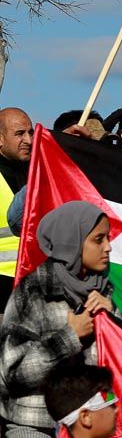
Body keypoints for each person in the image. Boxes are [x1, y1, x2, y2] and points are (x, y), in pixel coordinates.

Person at [0, 202, 118, 438]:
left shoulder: (105, 293)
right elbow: (12, 373)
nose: (108, 248)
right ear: (72, 243)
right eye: (98, 239)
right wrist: (68, 338)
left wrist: (112, 322)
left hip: (89, 432)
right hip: (36, 428)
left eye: (108, 238)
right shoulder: (34, 291)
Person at [0, 107, 32, 311]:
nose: (28, 140)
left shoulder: (36, 170)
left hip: (33, 287)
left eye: (31, 132)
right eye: (20, 133)